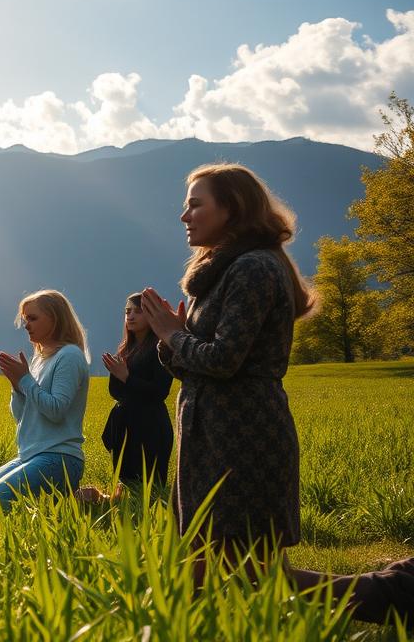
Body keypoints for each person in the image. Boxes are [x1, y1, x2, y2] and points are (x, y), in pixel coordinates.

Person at [141, 163, 412, 627]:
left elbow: (224, 361)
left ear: (231, 208)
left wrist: (172, 335)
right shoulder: (224, 272)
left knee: (252, 574)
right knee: (207, 568)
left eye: (195, 203)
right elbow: (196, 365)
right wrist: (175, 337)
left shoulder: (254, 268)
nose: (184, 215)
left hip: (242, 437)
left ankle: (389, 593)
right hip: (211, 435)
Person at [0, 289, 89, 512]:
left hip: (60, 458)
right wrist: (17, 387)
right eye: (25, 319)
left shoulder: (69, 356)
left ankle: (64, 503)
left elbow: (56, 410)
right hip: (31, 455)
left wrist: (25, 380)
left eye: (33, 318)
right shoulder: (39, 359)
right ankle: (71, 500)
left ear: (55, 319)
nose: (26, 325)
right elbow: (20, 416)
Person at [78, 293, 173, 503]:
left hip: (150, 427)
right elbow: (116, 393)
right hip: (126, 427)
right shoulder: (127, 349)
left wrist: (127, 377)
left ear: (152, 316)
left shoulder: (161, 348)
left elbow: (159, 392)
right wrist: (117, 374)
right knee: (126, 484)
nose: (130, 316)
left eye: (138, 312)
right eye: (127, 311)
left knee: (150, 489)